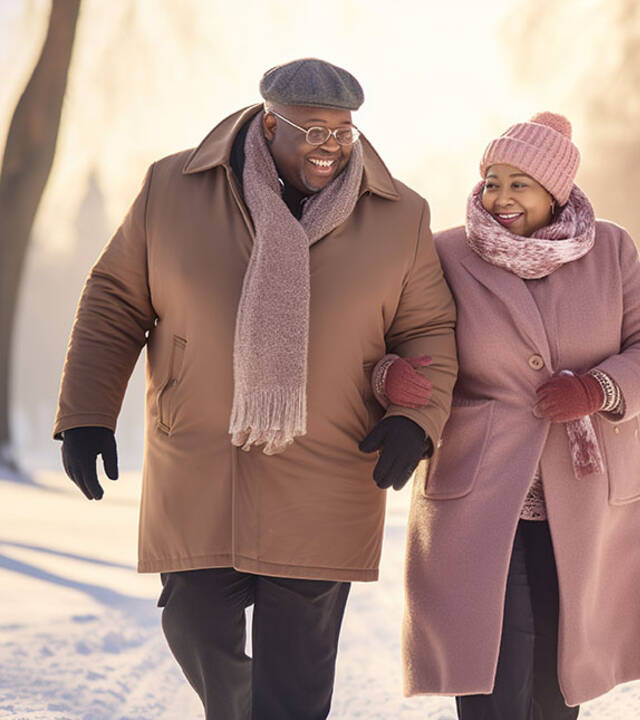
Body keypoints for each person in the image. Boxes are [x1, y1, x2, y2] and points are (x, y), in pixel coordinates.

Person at [53, 58, 457, 720]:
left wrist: (418, 419)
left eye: (344, 131)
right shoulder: (173, 188)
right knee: (193, 621)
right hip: (204, 457)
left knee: (295, 682)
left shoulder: (398, 214)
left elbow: (430, 329)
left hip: (326, 468)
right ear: (269, 124)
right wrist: (88, 414)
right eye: (313, 129)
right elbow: (116, 299)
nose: (331, 145)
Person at [375, 112, 640, 718]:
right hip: (481, 492)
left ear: (555, 192)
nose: (500, 197)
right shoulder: (447, 253)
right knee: (492, 680)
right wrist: (390, 377)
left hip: (585, 495)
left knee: (560, 681)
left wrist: (600, 387)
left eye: (519, 183)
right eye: (491, 181)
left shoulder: (610, 249)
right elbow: (404, 338)